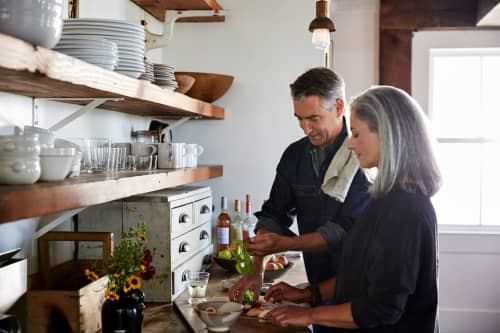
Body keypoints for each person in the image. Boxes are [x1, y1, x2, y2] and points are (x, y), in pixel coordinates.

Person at [264, 85, 442, 333]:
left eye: (357, 134)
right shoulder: (388, 198)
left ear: (387, 135)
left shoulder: (404, 210)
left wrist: (309, 315)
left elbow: (381, 307)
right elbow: (363, 276)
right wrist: (308, 294)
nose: (350, 144)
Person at [229, 67, 371, 333]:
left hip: (359, 289)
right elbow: (273, 214)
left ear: (339, 106)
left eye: (314, 118)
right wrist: (255, 271)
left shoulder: (363, 157)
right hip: (316, 285)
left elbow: (341, 231)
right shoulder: (294, 156)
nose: (306, 128)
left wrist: (285, 243)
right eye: (299, 119)